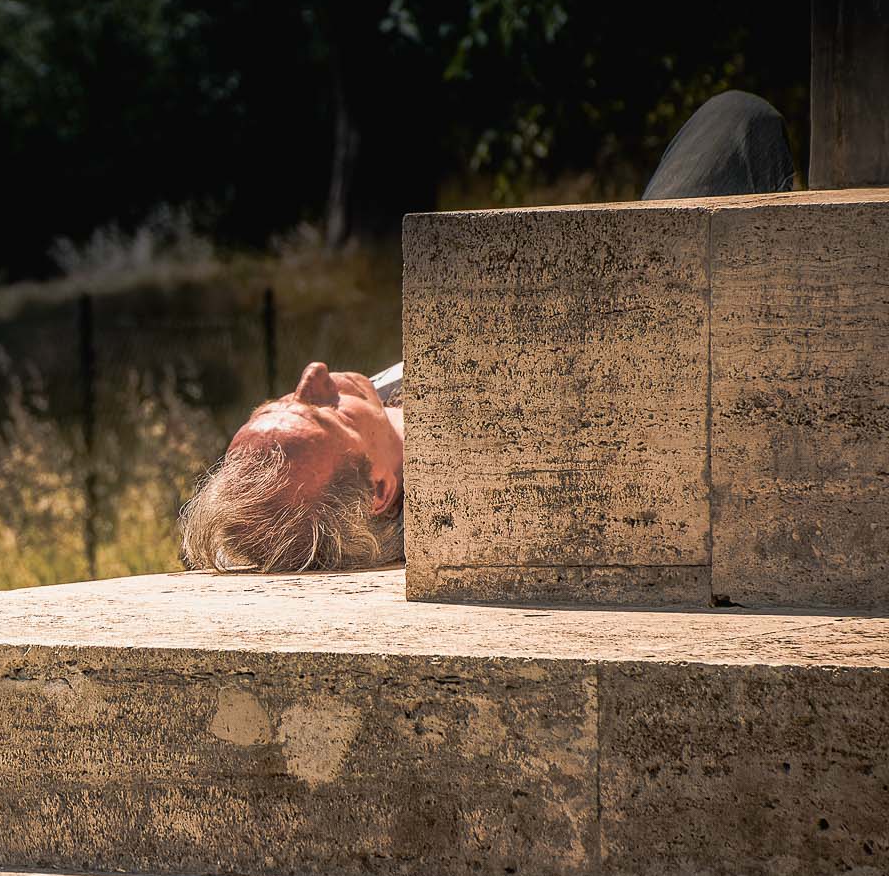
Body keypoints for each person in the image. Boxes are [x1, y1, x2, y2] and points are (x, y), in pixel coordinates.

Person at [180, 90, 796, 573]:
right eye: (323, 413)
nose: (311, 375)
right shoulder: (490, 464)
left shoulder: (392, 414)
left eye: (284, 398)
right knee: (733, 122)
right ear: (378, 491)